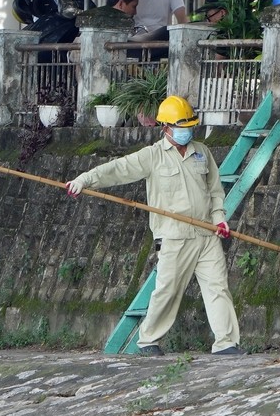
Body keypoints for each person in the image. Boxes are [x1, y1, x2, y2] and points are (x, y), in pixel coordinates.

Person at [64, 95, 243, 357]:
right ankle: (148, 340)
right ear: (166, 128)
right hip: (173, 236)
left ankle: (226, 343)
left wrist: (219, 218)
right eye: (182, 127)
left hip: (206, 233)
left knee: (218, 287)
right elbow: (118, 169)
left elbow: (215, 190)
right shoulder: (152, 156)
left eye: (190, 126)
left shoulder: (202, 152)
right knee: (167, 291)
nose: (187, 131)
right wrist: (85, 180)